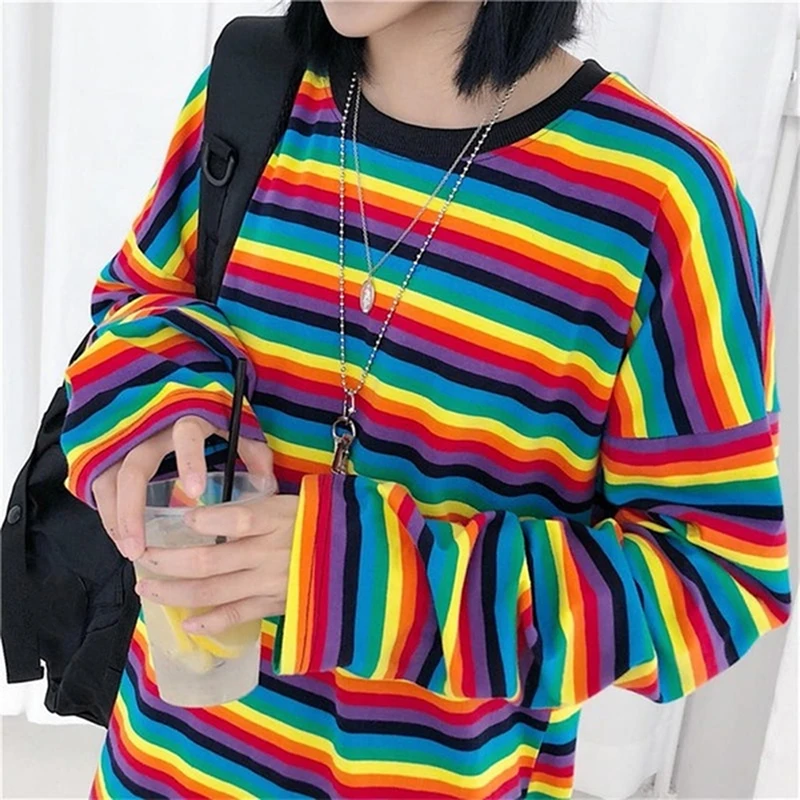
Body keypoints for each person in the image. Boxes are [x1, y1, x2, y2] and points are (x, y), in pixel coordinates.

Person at [60, 1, 793, 797]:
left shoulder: (658, 199)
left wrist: (357, 576)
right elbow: (132, 307)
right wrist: (161, 413)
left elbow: (717, 578)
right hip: (158, 771)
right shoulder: (249, 89)